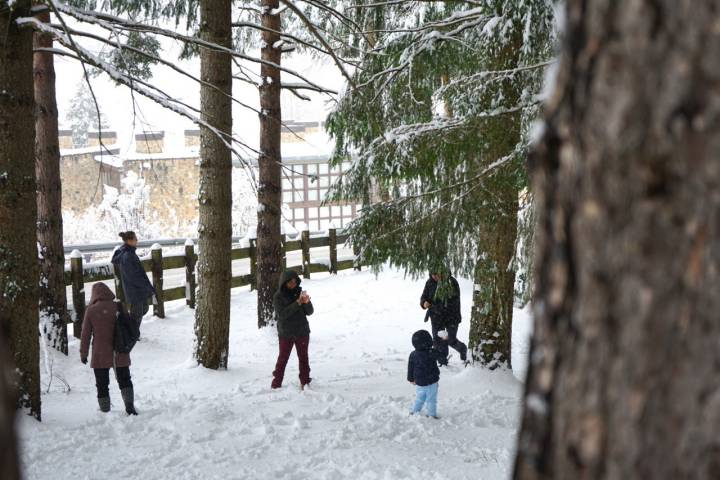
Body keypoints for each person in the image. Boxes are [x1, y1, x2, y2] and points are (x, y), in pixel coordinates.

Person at [80, 283, 138, 415]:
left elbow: (85, 335)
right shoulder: (118, 306)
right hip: (120, 349)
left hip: (100, 353)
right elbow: (128, 325)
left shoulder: (91, 310)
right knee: (125, 379)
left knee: (102, 384)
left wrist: (83, 354)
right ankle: (129, 406)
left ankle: (105, 411)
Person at [271, 270, 314, 390]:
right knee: (283, 358)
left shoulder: (299, 292)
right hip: (286, 333)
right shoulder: (278, 297)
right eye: (290, 282)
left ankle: (305, 381)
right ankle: (276, 383)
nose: (293, 284)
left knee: (303, 358)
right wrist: (297, 303)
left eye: (295, 282)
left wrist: (307, 302)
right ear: (284, 283)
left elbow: (310, 312)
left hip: (302, 331)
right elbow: (283, 314)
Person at [420, 271, 468, 365]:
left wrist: (436, 306)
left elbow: (453, 301)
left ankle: (462, 349)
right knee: (438, 340)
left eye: (436, 274)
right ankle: (442, 361)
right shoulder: (430, 282)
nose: (434, 276)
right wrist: (424, 302)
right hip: (436, 317)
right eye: (432, 274)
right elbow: (424, 296)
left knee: (450, 340)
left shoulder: (452, 282)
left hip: (452, 316)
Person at [112, 231, 155, 330]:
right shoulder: (127, 255)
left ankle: (131, 331)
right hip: (134, 291)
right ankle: (132, 334)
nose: (137, 240)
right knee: (137, 314)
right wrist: (147, 287)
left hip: (137, 290)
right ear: (129, 241)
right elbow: (133, 277)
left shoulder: (130, 253)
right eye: (135, 239)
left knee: (144, 309)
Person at [407, 330, 440, 419]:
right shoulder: (432, 352)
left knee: (419, 397)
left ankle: (414, 411)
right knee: (431, 399)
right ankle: (431, 414)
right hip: (432, 382)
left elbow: (410, 367)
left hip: (419, 382)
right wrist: (442, 341)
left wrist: (411, 379)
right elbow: (442, 356)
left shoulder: (413, 354)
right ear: (429, 342)